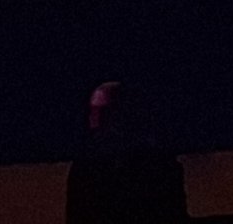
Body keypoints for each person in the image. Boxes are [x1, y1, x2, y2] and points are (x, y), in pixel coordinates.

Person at [65, 81, 189, 223]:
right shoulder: (85, 166)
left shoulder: (157, 165)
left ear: (124, 114)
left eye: (105, 112)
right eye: (93, 111)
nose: (96, 119)